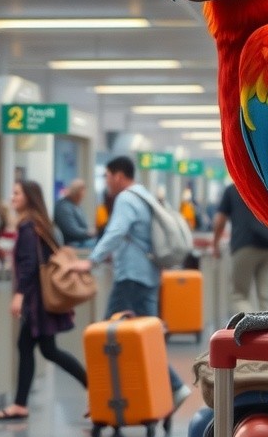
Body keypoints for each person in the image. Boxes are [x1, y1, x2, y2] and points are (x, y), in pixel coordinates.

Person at [71, 155, 190, 410]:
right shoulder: (144, 195)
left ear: (118, 175)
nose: (106, 182)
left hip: (130, 278)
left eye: (107, 176)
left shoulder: (126, 198)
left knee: (105, 334)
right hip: (146, 276)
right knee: (148, 336)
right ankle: (174, 387)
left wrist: (90, 261)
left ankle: (102, 402)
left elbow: (115, 232)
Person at [0, 180, 87, 422]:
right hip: (42, 300)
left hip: (37, 301)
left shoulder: (28, 227)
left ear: (29, 197)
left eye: (17, 193)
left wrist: (19, 295)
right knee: (42, 349)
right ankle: (20, 404)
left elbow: (28, 266)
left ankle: (20, 404)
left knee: (40, 349)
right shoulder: (40, 225)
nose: (12, 197)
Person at [212, 182, 268, 314]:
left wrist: (215, 244)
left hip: (245, 245)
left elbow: (220, 220)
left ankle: (252, 326)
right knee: (265, 297)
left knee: (238, 295)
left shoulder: (233, 189)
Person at [53, 178, 95, 248]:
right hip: (71, 243)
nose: (83, 196)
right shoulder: (63, 207)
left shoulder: (75, 206)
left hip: (81, 241)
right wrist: (89, 232)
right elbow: (72, 231)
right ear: (77, 193)